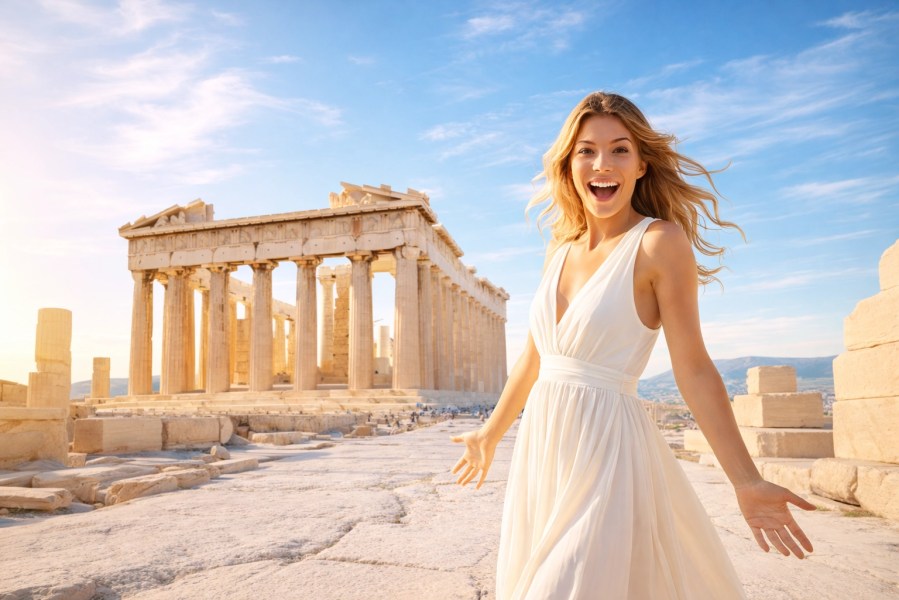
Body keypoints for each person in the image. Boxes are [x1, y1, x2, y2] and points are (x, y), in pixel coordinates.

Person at [451, 92, 815, 599]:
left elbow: (693, 368)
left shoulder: (658, 243)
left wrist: (746, 480)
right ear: (569, 163)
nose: (603, 164)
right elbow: (537, 358)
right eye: (587, 150)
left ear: (642, 164)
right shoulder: (558, 250)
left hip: (609, 450)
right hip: (544, 452)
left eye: (620, 149)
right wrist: (488, 435)